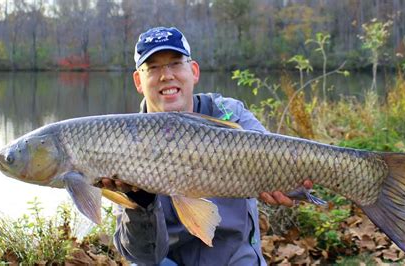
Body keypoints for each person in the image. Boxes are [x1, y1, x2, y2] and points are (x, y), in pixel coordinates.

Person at [99, 26, 313, 266]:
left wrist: (285, 180)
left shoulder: (229, 114)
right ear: (139, 80)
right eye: (154, 67)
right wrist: (140, 202)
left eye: (175, 63)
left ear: (194, 71)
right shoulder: (121, 140)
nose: (166, 75)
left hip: (234, 258)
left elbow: (274, 155)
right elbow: (143, 257)